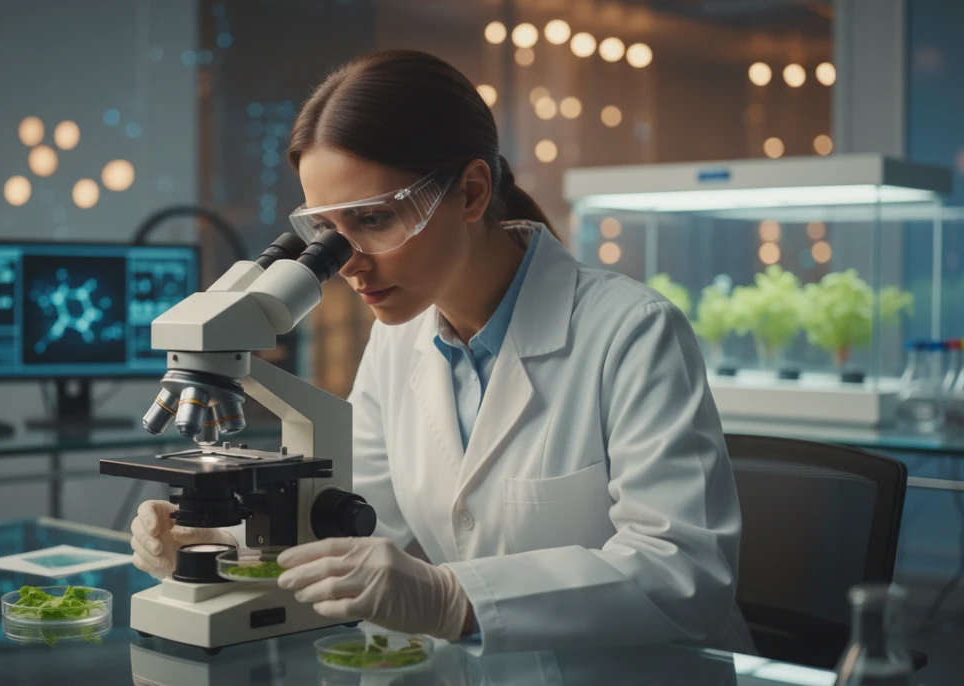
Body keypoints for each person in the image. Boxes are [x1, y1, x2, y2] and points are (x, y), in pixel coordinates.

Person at [130, 49, 753, 655]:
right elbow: (364, 524)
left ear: (473, 192)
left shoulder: (632, 331)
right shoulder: (397, 337)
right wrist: (222, 536)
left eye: (373, 219)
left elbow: (685, 576)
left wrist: (455, 598)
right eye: (328, 234)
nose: (348, 264)